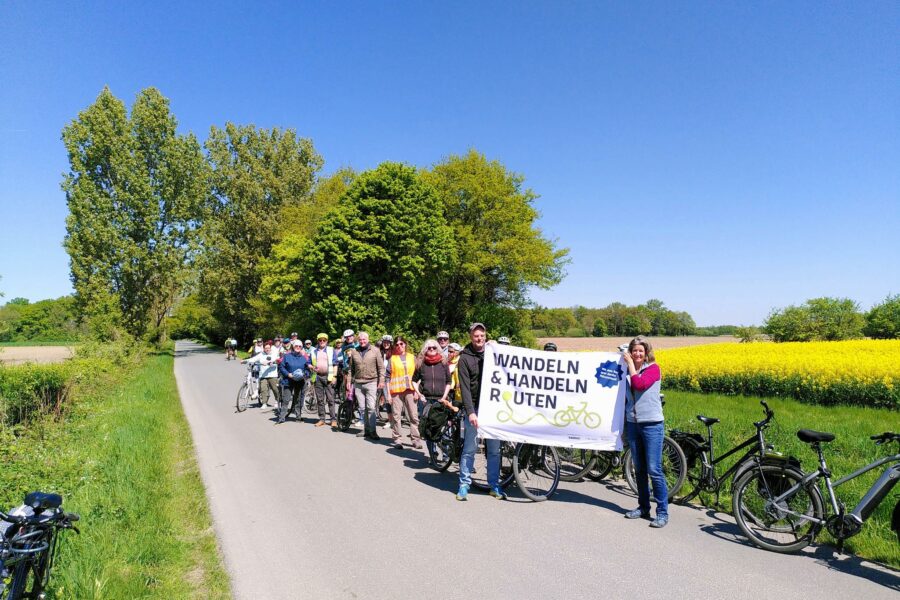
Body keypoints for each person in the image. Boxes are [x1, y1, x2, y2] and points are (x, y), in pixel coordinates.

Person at [622, 335, 668, 528]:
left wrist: (630, 366)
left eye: (641, 350)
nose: (637, 354)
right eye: (634, 351)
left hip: (652, 424)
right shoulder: (627, 370)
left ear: (646, 352)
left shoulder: (654, 369)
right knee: (639, 469)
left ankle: (662, 513)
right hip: (633, 423)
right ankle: (643, 507)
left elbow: (639, 385)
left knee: (654, 470)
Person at [457, 322, 504, 501]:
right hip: (474, 408)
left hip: (492, 408)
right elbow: (465, 388)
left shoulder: (492, 353)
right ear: (471, 337)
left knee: (494, 450)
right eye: (476, 336)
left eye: (482, 336)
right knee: (470, 448)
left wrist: (498, 349)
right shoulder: (464, 358)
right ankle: (464, 485)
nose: (479, 339)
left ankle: (494, 485)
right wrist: (470, 412)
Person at [412, 338, 452, 455]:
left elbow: (448, 382)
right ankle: (432, 453)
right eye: (429, 348)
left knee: (443, 427)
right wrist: (419, 394)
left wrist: (444, 396)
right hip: (427, 400)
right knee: (428, 429)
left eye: (434, 347)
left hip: (441, 399)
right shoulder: (421, 364)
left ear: (438, 349)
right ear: (425, 350)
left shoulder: (443, 363)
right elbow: (414, 380)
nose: (431, 349)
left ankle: (446, 454)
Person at [385, 336, 422, 449]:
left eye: (401, 344)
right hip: (396, 391)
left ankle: (415, 439)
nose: (399, 346)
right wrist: (388, 394)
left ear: (405, 344)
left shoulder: (412, 357)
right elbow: (387, 377)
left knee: (413, 416)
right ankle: (397, 439)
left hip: (411, 390)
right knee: (396, 416)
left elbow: (419, 375)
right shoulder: (392, 359)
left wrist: (417, 391)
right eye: (397, 344)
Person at [345, 331, 384, 440]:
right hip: (358, 383)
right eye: (360, 340)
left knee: (370, 407)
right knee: (362, 408)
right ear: (358, 341)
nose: (362, 341)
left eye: (364, 339)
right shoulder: (354, 352)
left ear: (368, 339)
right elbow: (351, 369)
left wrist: (381, 380)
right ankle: (366, 430)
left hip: (371, 382)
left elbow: (381, 368)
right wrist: (348, 381)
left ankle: (373, 431)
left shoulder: (375, 351)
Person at [277, 339, 311, 425]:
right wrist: (288, 374)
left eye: (300, 346)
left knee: (298, 399)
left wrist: (305, 374)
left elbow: (307, 369)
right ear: (293, 346)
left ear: (301, 347)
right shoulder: (287, 356)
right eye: (296, 346)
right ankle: (281, 418)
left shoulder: (303, 358)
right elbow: (281, 367)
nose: (298, 347)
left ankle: (298, 417)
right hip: (288, 380)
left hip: (300, 381)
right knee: (286, 399)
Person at [308, 333, 338, 428]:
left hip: (329, 377)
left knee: (330, 399)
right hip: (317, 377)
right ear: (318, 341)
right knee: (320, 400)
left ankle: (333, 420)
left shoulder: (330, 350)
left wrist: (334, 376)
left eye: (324, 340)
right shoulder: (313, 351)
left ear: (327, 341)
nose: (322, 342)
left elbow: (335, 364)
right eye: (320, 340)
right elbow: (308, 363)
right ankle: (322, 419)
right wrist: (312, 367)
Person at [243, 340, 280, 410]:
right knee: (263, 389)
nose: (267, 349)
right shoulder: (261, 354)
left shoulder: (274, 354)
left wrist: (270, 362)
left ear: (270, 348)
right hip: (263, 375)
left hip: (272, 375)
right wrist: (245, 361)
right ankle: (264, 403)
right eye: (266, 348)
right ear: (264, 348)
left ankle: (277, 401)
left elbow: (277, 360)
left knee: (275, 389)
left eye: (268, 348)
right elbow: (254, 359)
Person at [376, 335, 394, 427]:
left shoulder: (394, 353)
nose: (386, 344)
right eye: (384, 342)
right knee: (387, 400)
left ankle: (395, 420)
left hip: (393, 378)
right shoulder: (379, 353)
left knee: (393, 400)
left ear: (391, 343)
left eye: (388, 342)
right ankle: (390, 421)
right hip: (383, 378)